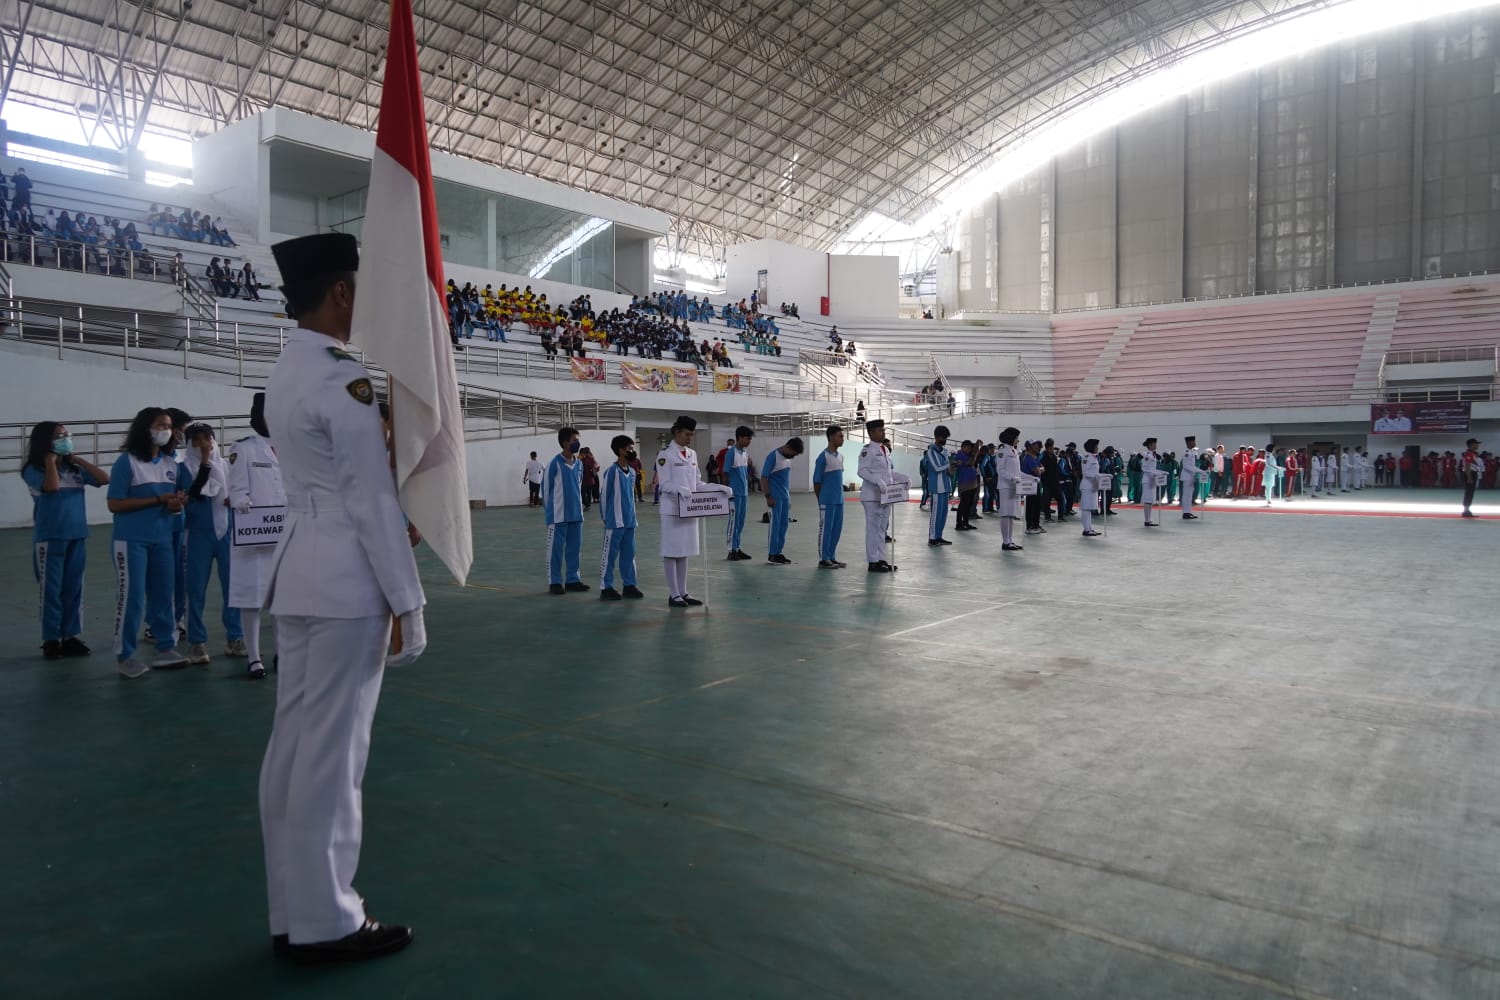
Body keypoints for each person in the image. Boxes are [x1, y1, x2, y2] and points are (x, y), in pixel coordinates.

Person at [258, 232, 426, 963]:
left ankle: (291, 908)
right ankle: (327, 920)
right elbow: (368, 500)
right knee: (332, 760)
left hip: (297, 575)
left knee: (293, 753)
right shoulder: (341, 379)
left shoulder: (286, 371)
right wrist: (407, 600)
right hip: (345, 586)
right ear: (341, 293)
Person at [107, 407, 190, 678]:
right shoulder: (127, 462)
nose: (166, 430)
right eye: (160, 425)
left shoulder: (170, 466)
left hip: (162, 539)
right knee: (131, 598)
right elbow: (115, 503)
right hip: (131, 541)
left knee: (163, 596)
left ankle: (166, 647)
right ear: (145, 428)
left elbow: (172, 507)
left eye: (168, 426)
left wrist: (176, 505)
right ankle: (125, 655)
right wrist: (157, 500)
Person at [22, 421, 109, 659]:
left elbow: (103, 478)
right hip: (50, 538)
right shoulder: (33, 469)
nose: (65, 439)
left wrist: (78, 460)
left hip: (77, 535)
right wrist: (51, 462)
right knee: (51, 590)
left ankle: (70, 636)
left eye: (66, 435)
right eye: (59, 436)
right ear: (45, 442)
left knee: (74, 589)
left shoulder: (75, 470)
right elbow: (50, 487)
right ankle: (51, 638)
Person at [227, 393, 284, 679]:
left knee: (281, 598)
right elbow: (236, 488)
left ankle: (280, 653)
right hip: (253, 535)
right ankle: (253, 657)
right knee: (252, 597)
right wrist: (241, 502)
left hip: (284, 535)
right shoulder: (244, 448)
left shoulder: (291, 448)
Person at [180, 423, 243, 665]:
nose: (204, 444)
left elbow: (240, 492)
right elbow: (194, 493)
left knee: (232, 588)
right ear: (189, 444)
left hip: (226, 531)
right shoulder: (184, 468)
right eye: (197, 440)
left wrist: (234, 499)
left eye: (207, 438)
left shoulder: (226, 466)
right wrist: (205, 459)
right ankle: (196, 641)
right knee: (196, 589)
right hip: (198, 533)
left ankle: (235, 636)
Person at [657, 415, 728, 607]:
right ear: (677, 432)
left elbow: (697, 483)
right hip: (672, 510)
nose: (690, 438)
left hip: (689, 509)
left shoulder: (692, 454)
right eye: (687, 434)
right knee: (671, 552)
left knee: (684, 551)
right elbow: (663, 485)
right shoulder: (665, 455)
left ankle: (683, 592)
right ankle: (673, 594)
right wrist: (678, 489)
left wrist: (716, 488)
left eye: (692, 435)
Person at [598, 435, 644, 599]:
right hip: (614, 522)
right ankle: (606, 587)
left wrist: (633, 516)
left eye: (633, 448)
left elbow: (630, 496)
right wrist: (605, 518)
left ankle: (629, 584)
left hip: (630, 521)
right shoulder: (611, 472)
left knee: (629, 555)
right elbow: (604, 497)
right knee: (609, 556)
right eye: (629, 449)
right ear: (620, 451)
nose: (632, 451)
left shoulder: (631, 472)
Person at [857, 419, 906, 572]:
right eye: (880, 430)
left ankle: (881, 559)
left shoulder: (885, 449)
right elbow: (862, 471)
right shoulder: (868, 450)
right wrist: (877, 481)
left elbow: (888, 472)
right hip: (872, 496)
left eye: (883, 430)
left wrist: (902, 478)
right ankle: (873, 561)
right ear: (871, 433)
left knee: (882, 529)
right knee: (873, 529)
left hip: (885, 496)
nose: (883, 432)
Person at [545, 427, 589, 595]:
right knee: (555, 550)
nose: (577, 443)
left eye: (577, 440)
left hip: (576, 515)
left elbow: (577, 487)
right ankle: (555, 581)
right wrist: (550, 515)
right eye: (573, 440)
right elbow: (547, 491)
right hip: (558, 515)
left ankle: (573, 579)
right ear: (564, 443)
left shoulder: (579, 464)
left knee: (574, 549)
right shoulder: (554, 464)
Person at [763, 437, 803, 565]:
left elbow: (785, 480)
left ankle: (778, 552)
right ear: (788, 447)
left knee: (783, 526)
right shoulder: (773, 456)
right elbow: (763, 477)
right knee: (775, 525)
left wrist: (788, 498)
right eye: (794, 454)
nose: (794, 457)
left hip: (785, 498)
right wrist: (768, 496)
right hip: (775, 497)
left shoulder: (787, 459)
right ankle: (772, 554)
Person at [813, 426, 847, 568]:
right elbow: (816, 481)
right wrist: (821, 500)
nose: (842, 439)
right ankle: (823, 559)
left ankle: (832, 556)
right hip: (827, 500)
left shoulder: (840, 457)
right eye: (840, 436)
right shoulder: (823, 457)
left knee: (836, 529)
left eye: (842, 436)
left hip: (839, 500)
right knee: (826, 529)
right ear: (831, 437)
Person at [995, 427, 1025, 551]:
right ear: (1011, 438)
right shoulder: (1002, 451)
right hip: (1005, 486)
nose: (1018, 440)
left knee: (1011, 515)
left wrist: (1031, 478)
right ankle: (1005, 541)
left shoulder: (1014, 451)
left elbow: (1018, 472)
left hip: (1014, 487)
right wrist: (1014, 478)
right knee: (1005, 514)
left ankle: (1010, 540)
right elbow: (1000, 471)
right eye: (1016, 438)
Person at [925, 426, 955, 546]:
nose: (945, 440)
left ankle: (939, 536)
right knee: (935, 514)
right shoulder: (931, 452)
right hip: (936, 487)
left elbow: (947, 470)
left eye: (946, 437)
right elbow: (936, 468)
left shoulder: (944, 451)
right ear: (937, 437)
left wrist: (952, 467)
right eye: (944, 437)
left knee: (943, 514)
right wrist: (949, 465)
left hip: (945, 486)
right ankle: (932, 538)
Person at [1079, 439, 1103, 537]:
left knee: (1089, 509)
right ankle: (1086, 529)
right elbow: (1085, 472)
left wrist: (1102, 475)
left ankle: (1089, 528)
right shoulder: (1086, 458)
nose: (1098, 448)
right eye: (1096, 446)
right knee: (1085, 508)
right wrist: (1097, 476)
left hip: (1093, 486)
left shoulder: (1094, 458)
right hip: (1087, 486)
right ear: (1091, 447)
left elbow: (1094, 472)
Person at [1460, 437, 1485, 518]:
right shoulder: (1469, 454)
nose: (1478, 445)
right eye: (1476, 443)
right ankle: (1466, 510)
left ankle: (1467, 510)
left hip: (1472, 473)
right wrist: (1469, 477)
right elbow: (1467, 466)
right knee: (1469, 493)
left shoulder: (1472, 453)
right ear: (1471, 445)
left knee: (1470, 492)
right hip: (1470, 473)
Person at [1140, 438, 1161, 527]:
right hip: (1148, 480)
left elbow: (1153, 468)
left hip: (1152, 480)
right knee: (1147, 501)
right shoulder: (1147, 455)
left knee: (1151, 501)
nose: (1155, 445)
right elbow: (1144, 468)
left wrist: (1159, 472)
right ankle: (1146, 520)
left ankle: (1149, 520)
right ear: (1149, 445)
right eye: (1153, 444)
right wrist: (1155, 473)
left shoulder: (1153, 455)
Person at [1180, 435, 1200, 520]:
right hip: (1187, 476)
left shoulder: (1192, 452)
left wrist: (1200, 470)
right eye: (1193, 441)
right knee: (1186, 495)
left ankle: (1188, 511)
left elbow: (1193, 466)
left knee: (1189, 495)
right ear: (1189, 443)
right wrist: (1198, 471)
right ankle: (1185, 512)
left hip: (1191, 476)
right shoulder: (1186, 453)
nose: (1195, 443)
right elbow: (1186, 466)